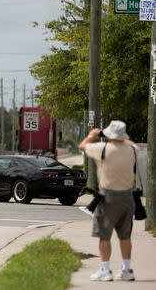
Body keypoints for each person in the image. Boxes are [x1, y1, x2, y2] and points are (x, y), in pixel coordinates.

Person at [79, 120, 138, 282]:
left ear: (109, 135)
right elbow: (130, 143)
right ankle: (127, 269)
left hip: (108, 198)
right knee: (125, 235)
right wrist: (120, 138)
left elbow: (82, 146)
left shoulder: (103, 148)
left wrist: (93, 135)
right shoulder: (132, 150)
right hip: (128, 198)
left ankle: (105, 269)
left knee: (104, 235)